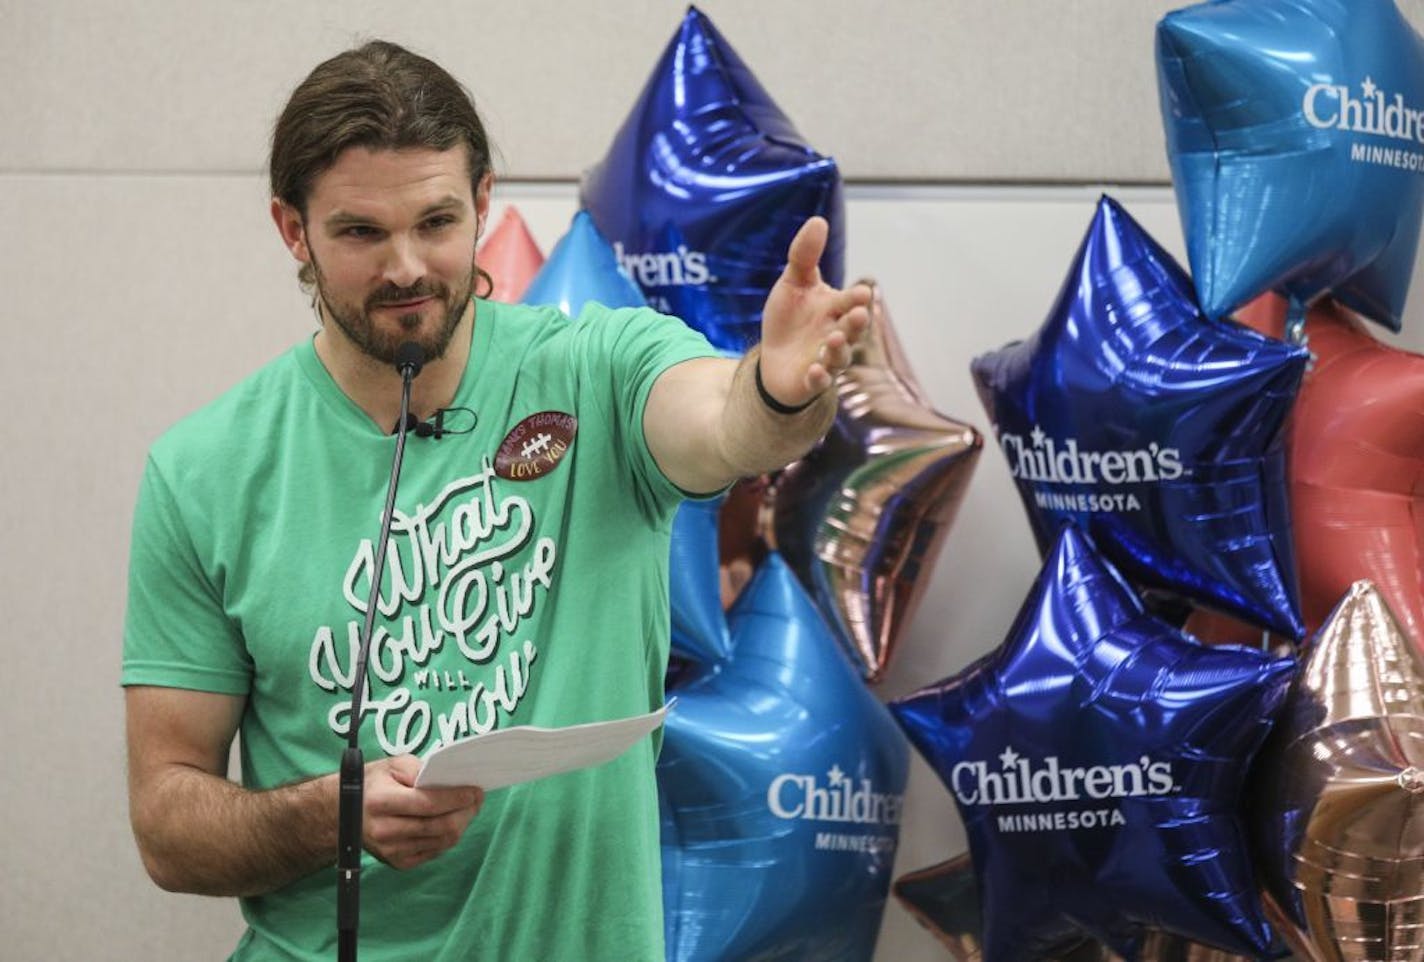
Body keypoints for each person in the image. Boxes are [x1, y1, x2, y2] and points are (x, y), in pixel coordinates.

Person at [122, 39, 869, 961]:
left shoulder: (599, 369)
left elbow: (724, 423)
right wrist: (337, 813)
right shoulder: (204, 471)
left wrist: (781, 392)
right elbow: (167, 824)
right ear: (293, 231)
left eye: (436, 221)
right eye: (360, 232)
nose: (406, 267)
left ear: (482, 204)